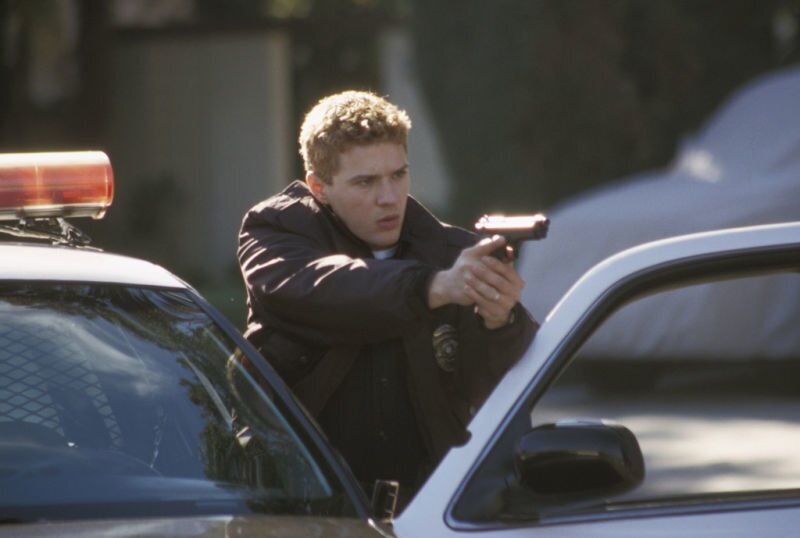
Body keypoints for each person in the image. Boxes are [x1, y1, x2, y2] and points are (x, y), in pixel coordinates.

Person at [237, 90, 538, 501]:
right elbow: (320, 288)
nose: (389, 197)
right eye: (365, 182)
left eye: (398, 175)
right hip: (299, 502)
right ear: (319, 187)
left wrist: (500, 320)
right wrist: (430, 287)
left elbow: (497, 391)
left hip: (429, 504)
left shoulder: (449, 252)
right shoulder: (275, 230)